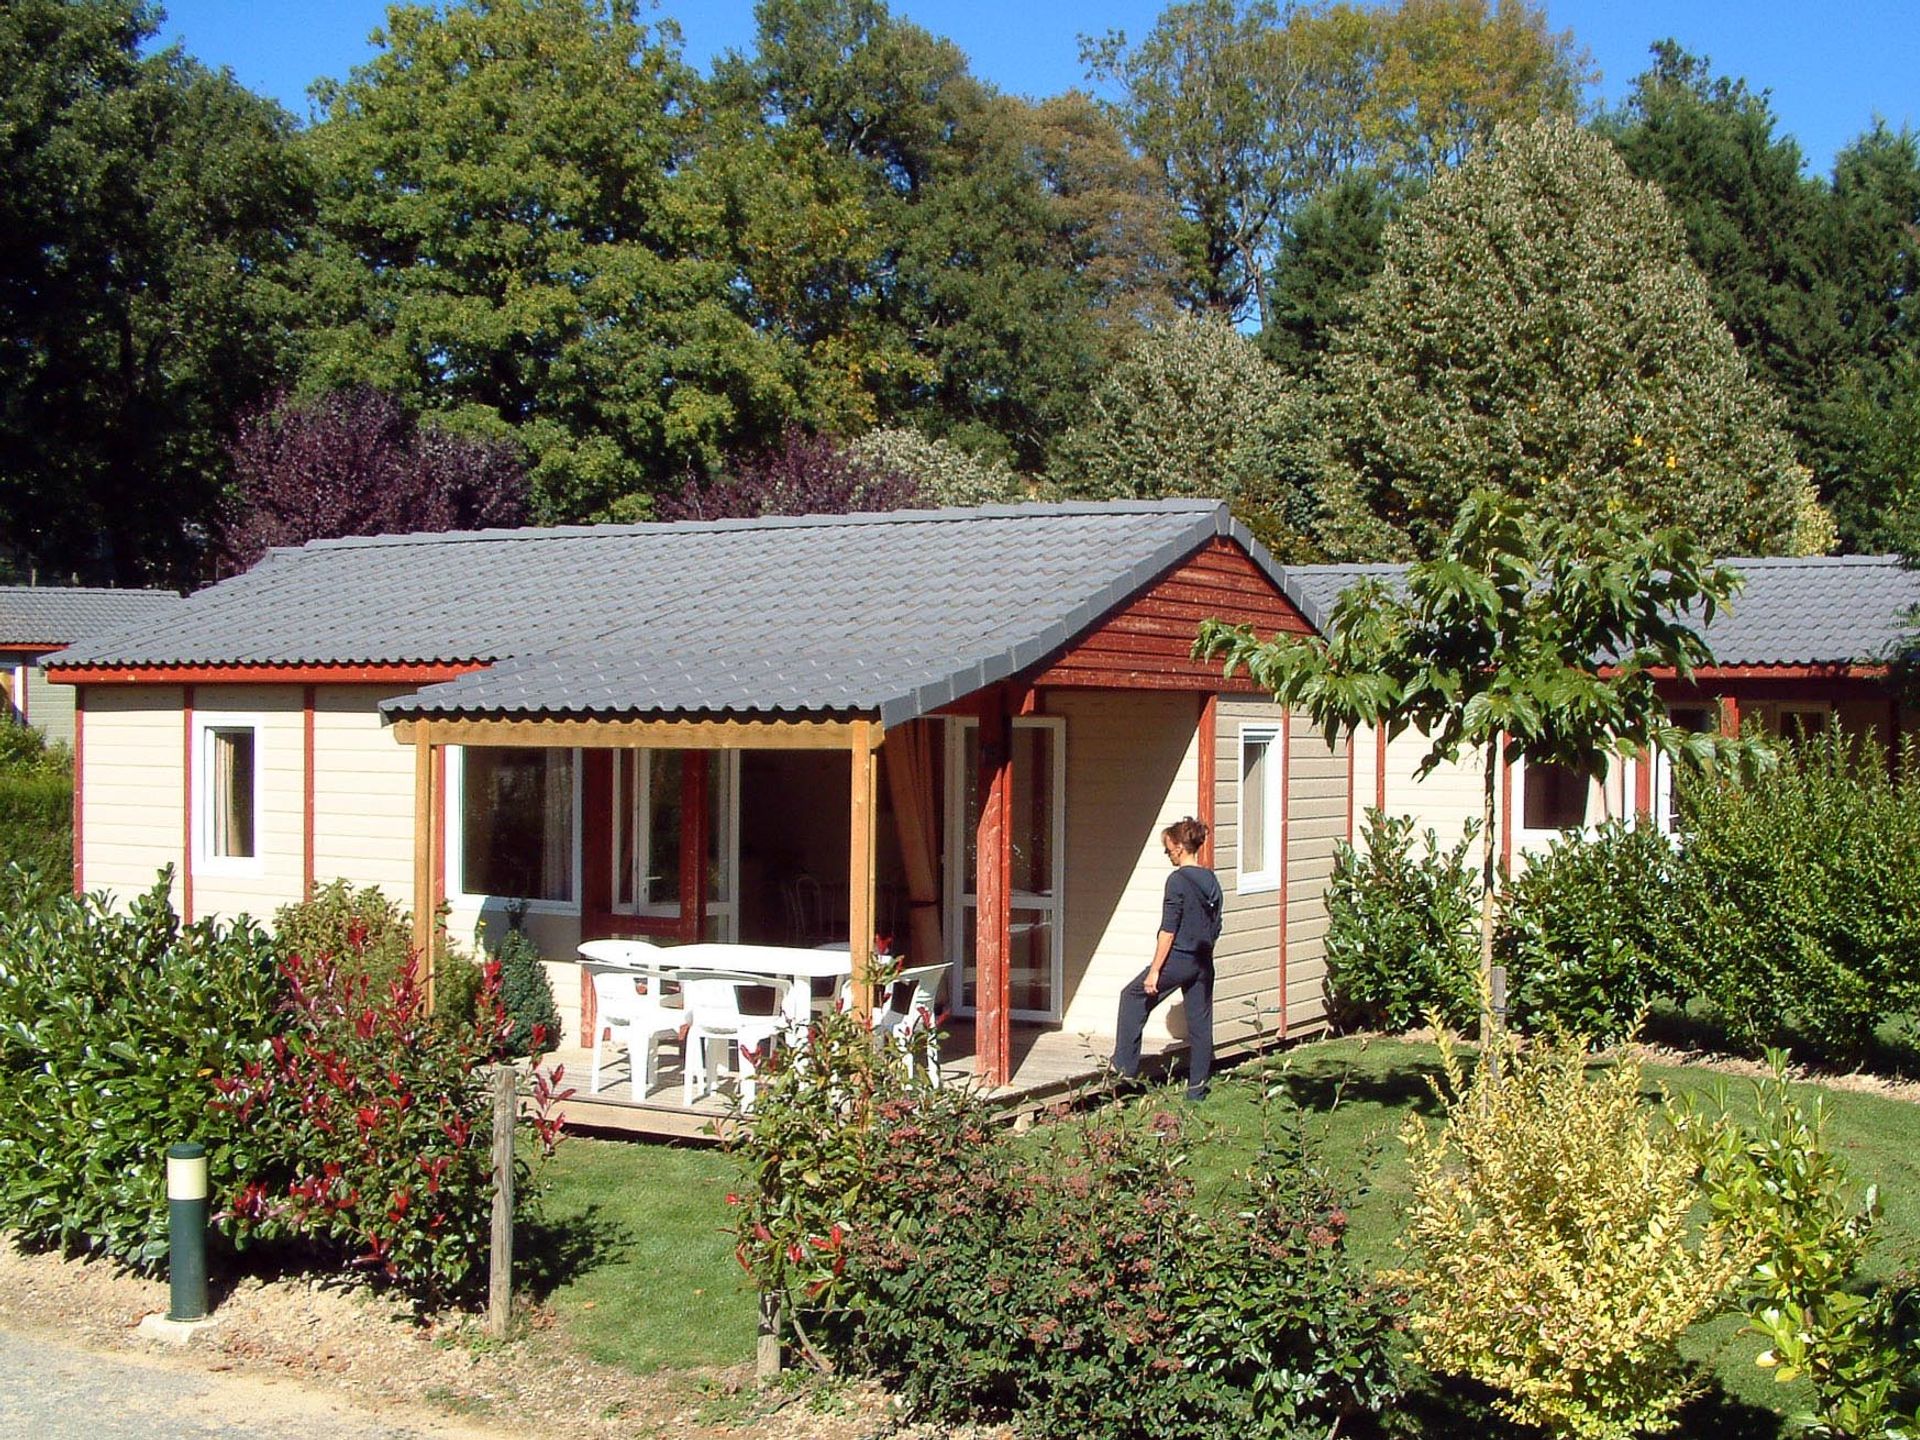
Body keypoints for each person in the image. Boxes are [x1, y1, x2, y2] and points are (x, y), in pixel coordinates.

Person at [1112, 816, 1223, 1101]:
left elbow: (1168, 930)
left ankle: (1123, 1070)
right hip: (1203, 961)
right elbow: (1217, 925)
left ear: (1179, 847)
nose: (1167, 854)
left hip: (1178, 959)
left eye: (1168, 848)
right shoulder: (1211, 879)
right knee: (1200, 1025)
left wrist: (1155, 971)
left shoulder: (1177, 881)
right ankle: (1197, 1091)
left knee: (1132, 997)